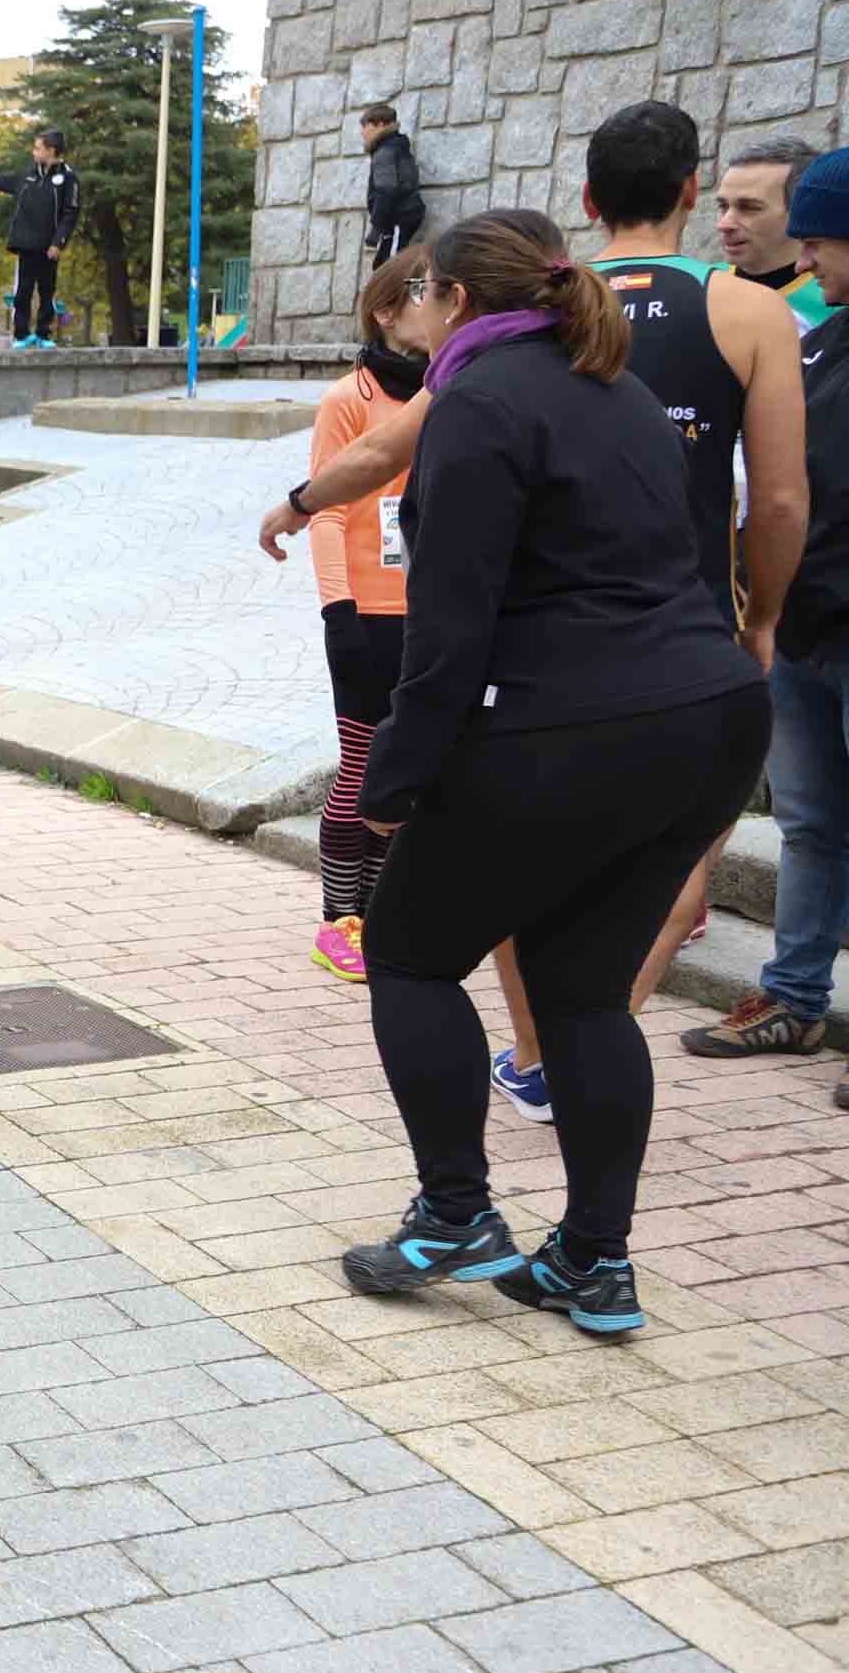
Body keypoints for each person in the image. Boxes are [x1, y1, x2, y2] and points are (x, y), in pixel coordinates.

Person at [338, 209, 769, 1337]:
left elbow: (451, 626)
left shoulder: (477, 404)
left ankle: (457, 1211)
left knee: (409, 949)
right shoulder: (617, 392)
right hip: (707, 716)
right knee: (582, 990)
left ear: (460, 303)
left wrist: (393, 780)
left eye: (422, 292)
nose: (412, 315)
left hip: (573, 722)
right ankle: (594, 1256)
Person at [483, 102, 803, 1095]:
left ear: (586, 198)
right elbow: (783, 495)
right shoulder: (752, 311)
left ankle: (537, 1051)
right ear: (690, 194)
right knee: (673, 863)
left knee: (526, 860)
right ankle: (590, 1044)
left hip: (546, 632)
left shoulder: (538, 299)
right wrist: (761, 616)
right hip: (689, 628)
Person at [690, 147, 849, 1097]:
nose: (816, 257)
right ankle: (793, 999)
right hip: (800, 627)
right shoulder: (817, 340)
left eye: (827, 240)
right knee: (808, 824)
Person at [302, 247, 436, 984]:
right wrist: (337, 610)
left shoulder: (448, 392)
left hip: (431, 614)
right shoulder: (346, 400)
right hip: (365, 615)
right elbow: (324, 508)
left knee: (407, 770)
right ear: (388, 310)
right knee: (359, 767)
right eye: (427, 290)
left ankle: (382, 912)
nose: (443, 300)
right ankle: (338, 919)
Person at [0, 130, 79, 348]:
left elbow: (70, 213)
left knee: (47, 291)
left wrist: (58, 242)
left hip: (49, 247)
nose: (34, 152)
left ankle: (44, 334)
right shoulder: (28, 175)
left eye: (38, 148)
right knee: (22, 292)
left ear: (51, 151)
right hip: (26, 244)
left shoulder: (68, 178)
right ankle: (21, 335)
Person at [717, 135, 835, 334]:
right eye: (723, 206)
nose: (724, 224)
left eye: (748, 208)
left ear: (803, 212)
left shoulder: (835, 299)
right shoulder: (695, 287)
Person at [359, 103, 428, 268]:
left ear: (380, 124)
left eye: (365, 127)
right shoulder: (397, 147)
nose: (363, 133)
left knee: (392, 268)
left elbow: (387, 190)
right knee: (382, 265)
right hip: (397, 219)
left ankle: (400, 294)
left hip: (398, 218)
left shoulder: (385, 152)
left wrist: (376, 227)